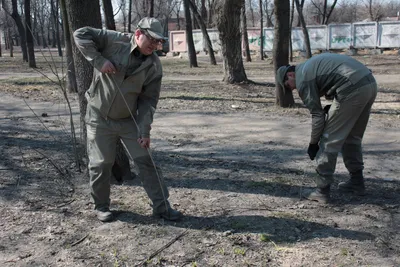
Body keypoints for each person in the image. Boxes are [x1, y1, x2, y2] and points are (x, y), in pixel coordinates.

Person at [73, 17, 183, 222]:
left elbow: (148, 101)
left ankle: (162, 208)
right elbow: (80, 34)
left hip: (128, 120)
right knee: (100, 163)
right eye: (151, 39)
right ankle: (101, 207)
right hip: (99, 116)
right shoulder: (114, 41)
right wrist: (99, 61)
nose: (155, 45)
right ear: (138, 34)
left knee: (146, 161)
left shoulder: (153, 66)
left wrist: (144, 131)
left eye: (159, 41)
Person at [276, 53, 378, 203]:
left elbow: (317, 116)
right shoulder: (310, 66)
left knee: (329, 140)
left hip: (351, 88)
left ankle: (322, 191)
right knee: (352, 137)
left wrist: (313, 143)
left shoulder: (303, 78)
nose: (292, 89)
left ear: (290, 75)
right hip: (369, 84)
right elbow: (331, 83)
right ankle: (357, 183)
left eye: (288, 86)